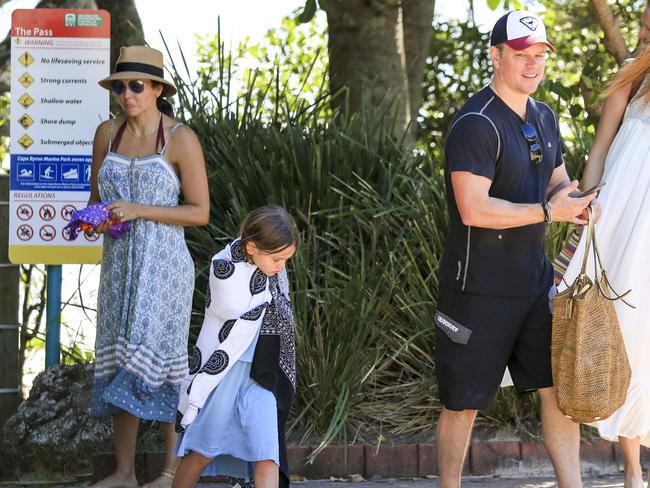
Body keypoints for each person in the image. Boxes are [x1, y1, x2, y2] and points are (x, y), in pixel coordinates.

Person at [434, 10, 599, 488]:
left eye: (539, 55)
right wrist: (550, 213)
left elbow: (557, 181)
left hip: (535, 285)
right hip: (476, 290)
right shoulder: (475, 124)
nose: (533, 64)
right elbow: (474, 209)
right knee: (462, 403)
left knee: (557, 394)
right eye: (521, 54)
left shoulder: (544, 116)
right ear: (495, 56)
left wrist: (578, 203)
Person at [87, 46, 209, 488]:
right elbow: (96, 204)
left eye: (136, 85)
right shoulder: (107, 134)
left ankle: (169, 472)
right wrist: (93, 221)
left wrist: (140, 209)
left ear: (157, 89)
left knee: (162, 364)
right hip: (118, 268)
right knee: (121, 357)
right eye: (119, 86)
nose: (126, 93)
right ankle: (123, 473)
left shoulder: (180, 139)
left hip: (164, 271)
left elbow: (199, 212)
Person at [559, 5, 650, 486]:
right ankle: (633, 470)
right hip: (620, 223)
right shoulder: (630, 81)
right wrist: (583, 211)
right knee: (626, 332)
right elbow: (599, 150)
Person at [172, 205, 299, 488]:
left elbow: (281, 312)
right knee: (202, 451)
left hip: (261, 376)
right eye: (278, 259)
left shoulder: (272, 272)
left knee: (268, 455)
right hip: (225, 376)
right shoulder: (225, 267)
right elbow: (232, 309)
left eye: (286, 260)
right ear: (252, 247)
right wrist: (265, 295)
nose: (281, 267)